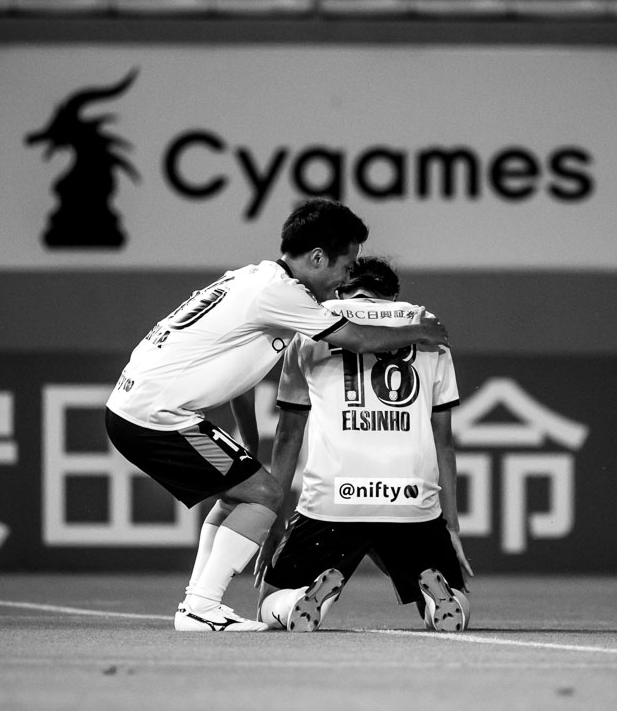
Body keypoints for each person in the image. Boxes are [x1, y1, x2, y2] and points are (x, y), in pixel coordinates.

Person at [105, 199, 450, 631]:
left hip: (139, 408)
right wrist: (419, 330)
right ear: (318, 258)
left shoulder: (253, 279)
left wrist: (248, 446)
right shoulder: (284, 295)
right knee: (266, 494)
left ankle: (198, 602)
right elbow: (358, 339)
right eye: (346, 265)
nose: (346, 279)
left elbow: (239, 376)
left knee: (240, 493)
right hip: (156, 418)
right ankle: (199, 607)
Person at [255, 256, 473, 632]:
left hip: (333, 501)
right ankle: (438, 599)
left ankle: (298, 602)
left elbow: (288, 434)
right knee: (457, 598)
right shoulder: (426, 326)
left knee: (269, 602)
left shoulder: (314, 323)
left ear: (343, 287)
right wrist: (450, 525)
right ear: (393, 295)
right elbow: (444, 442)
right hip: (410, 501)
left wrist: (274, 521)